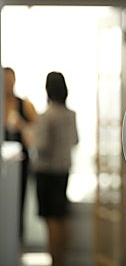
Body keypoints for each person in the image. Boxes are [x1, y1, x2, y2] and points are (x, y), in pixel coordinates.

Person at [32, 72, 78, 266]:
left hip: (47, 172)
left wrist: (28, 134)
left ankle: (55, 261)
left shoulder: (46, 116)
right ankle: (62, 259)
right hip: (63, 171)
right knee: (61, 216)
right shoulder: (70, 115)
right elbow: (75, 140)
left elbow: (41, 146)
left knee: (50, 219)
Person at [3, 67, 37, 244]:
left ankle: (18, 243)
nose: (8, 84)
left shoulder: (24, 104)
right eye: (5, 80)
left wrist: (21, 125)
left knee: (18, 203)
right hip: (3, 164)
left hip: (20, 164)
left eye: (10, 80)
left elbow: (36, 134)